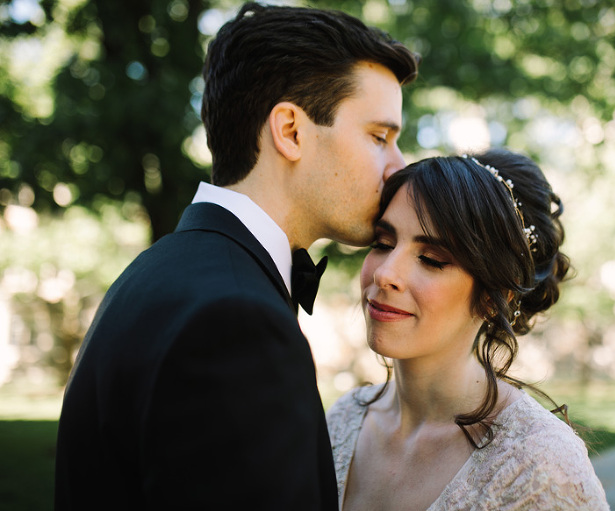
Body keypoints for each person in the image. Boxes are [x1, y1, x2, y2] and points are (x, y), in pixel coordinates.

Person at [54, 3, 419, 510]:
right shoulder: (235, 322)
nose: (397, 168)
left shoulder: (156, 271)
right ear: (290, 130)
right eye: (380, 138)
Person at [326, 149, 609, 510]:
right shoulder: (343, 419)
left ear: (494, 298)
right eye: (384, 243)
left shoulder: (540, 465)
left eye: (432, 260)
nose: (385, 273)